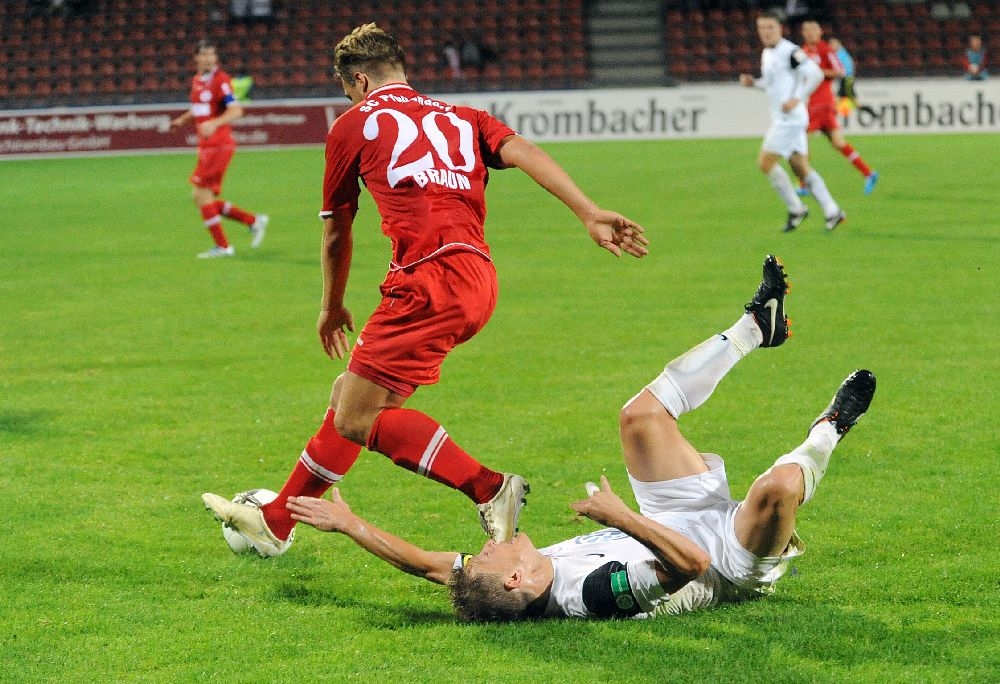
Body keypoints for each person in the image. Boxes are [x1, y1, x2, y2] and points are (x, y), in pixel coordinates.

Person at [202, 23, 648, 555]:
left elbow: (337, 230)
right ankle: (277, 520)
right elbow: (524, 151)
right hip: (478, 278)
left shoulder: (352, 125)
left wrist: (332, 305)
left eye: (348, 91)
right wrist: (588, 211)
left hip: (426, 281)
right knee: (350, 396)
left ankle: (490, 488)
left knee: (356, 417)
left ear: (359, 80)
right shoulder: (464, 117)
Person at [284, 255, 877, 621]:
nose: (485, 546)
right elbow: (691, 565)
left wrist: (352, 526)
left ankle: (754, 328)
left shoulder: (504, 582)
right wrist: (622, 518)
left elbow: (427, 566)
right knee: (778, 489)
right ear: (516, 579)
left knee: (638, 418)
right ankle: (830, 429)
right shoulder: (593, 593)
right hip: (726, 559)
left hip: (671, 516)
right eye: (489, 554)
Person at [740, 10, 846, 232]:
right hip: (787, 118)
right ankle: (832, 211)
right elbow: (771, 84)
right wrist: (754, 83)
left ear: (780, 28)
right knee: (800, 167)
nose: (766, 32)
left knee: (765, 163)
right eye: (762, 28)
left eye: (770, 27)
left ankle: (796, 208)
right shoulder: (767, 53)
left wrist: (797, 98)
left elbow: (816, 74)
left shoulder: (790, 52)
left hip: (789, 120)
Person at [169, 39, 268, 259]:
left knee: (200, 194)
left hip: (219, 145)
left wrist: (214, 123)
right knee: (201, 197)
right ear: (196, 58)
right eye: (204, 54)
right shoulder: (197, 80)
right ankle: (253, 221)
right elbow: (199, 109)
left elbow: (236, 110)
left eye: (211, 54)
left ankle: (223, 246)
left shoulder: (221, 80)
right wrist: (181, 121)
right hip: (207, 146)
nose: (208, 58)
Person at [800, 21, 878, 196]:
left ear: (820, 32)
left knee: (800, 141)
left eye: (813, 29)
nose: (810, 32)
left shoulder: (825, 50)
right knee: (838, 142)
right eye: (806, 30)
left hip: (822, 103)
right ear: (802, 33)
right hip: (812, 102)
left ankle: (804, 184)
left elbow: (841, 71)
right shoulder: (803, 51)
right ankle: (868, 173)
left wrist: (820, 72)